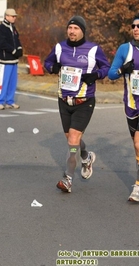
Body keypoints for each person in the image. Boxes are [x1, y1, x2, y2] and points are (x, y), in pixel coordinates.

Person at [44, 15, 110, 193]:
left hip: (84, 101)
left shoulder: (93, 49)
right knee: (71, 140)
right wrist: (53, 68)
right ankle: (86, 156)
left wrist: (95, 75)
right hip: (64, 100)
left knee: (73, 139)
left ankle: (68, 179)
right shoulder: (59, 47)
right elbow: (47, 63)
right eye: (70, 28)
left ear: (82, 31)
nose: (72, 31)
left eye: (76, 28)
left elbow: (106, 68)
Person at [108, 13, 139, 201]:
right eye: (133, 26)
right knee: (138, 148)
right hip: (131, 106)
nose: (135, 28)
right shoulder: (124, 49)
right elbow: (111, 74)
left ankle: (138, 186)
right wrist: (123, 70)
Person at [0, 8, 23, 110]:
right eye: (12, 16)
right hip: (5, 60)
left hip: (14, 60)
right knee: (3, 82)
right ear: (6, 16)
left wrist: (19, 49)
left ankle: (10, 101)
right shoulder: (1, 28)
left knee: (12, 82)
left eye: (15, 16)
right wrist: (13, 50)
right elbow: (2, 44)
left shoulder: (13, 28)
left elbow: (17, 40)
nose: (14, 18)